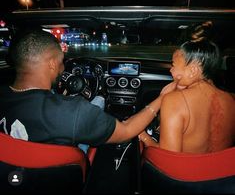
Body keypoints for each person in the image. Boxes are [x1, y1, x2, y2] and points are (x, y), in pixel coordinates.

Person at [0, 29, 175, 149]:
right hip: (65, 172)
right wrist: (162, 98)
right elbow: (127, 131)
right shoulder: (73, 111)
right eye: (62, 62)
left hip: (23, 171)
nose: (63, 69)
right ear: (52, 63)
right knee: (98, 106)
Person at [139, 25, 235, 153]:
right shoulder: (231, 100)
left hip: (183, 172)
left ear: (193, 71)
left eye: (173, 64)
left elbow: (168, 159)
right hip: (223, 172)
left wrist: (143, 136)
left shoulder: (174, 100)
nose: (170, 69)